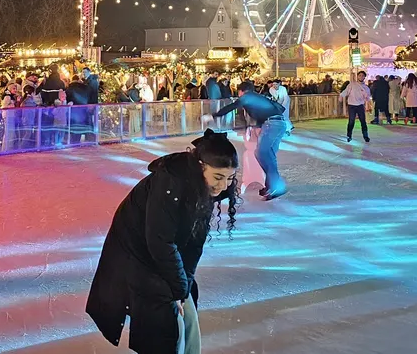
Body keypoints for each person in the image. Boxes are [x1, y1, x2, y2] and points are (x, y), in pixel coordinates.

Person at [86, 130, 238, 354]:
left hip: (159, 250)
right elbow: (160, 242)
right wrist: (176, 291)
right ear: (200, 166)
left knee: (186, 306)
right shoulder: (169, 183)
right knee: (162, 315)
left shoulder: (202, 188)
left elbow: (194, 245)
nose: (224, 186)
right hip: (135, 252)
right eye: (218, 177)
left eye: (230, 178)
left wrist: (183, 288)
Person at [214, 82, 289, 200]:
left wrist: (214, 115)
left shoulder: (247, 97)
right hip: (278, 123)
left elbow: (232, 106)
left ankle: (276, 186)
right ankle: (271, 186)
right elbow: (264, 111)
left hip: (272, 124)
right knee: (268, 155)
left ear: (242, 91)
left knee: (262, 153)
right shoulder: (257, 97)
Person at [342, 71, 371, 143]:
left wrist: (366, 98)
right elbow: (346, 92)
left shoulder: (366, 88)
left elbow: (367, 98)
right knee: (351, 121)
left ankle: (366, 136)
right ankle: (349, 135)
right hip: (352, 105)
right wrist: (341, 96)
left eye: (362, 76)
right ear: (357, 76)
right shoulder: (351, 85)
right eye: (360, 75)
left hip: (360, 105)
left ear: (364, 77)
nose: (361, 77)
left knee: (363, 121)